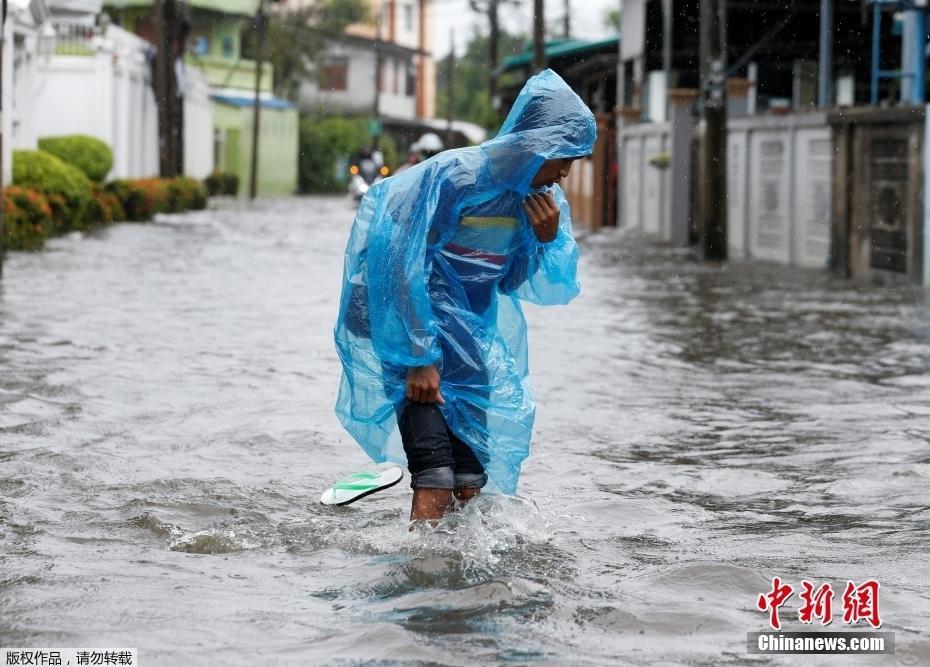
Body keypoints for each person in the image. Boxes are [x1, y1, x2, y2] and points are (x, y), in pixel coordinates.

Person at [333, 69, 596, 524]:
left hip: (469, 345)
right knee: (435, 474)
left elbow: (512, 281)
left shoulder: (536, 200)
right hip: (415, 339)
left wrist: (544, 238)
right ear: (536, 144)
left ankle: (460, 581)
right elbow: (397, 261)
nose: (566, 171)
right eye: (563, 156)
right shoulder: (452, 178)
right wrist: (418, 356)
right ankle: (417, 579)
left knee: (470, 481)